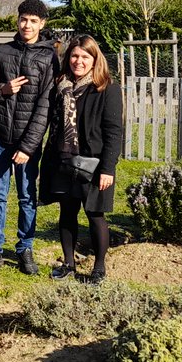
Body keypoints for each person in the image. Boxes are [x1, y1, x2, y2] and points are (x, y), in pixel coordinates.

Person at [39, 35, 123, 283]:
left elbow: (113, 132)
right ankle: (68, 263)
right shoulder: (61, 87)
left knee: (95, 214)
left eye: (85, 57)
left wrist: (108, 168)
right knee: (67, 212)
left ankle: (99, 267)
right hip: (64, 160)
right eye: (74, 56)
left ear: (95, 60)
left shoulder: (107, 89)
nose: (79, 61)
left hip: (94, 164)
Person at [0, 0, 57, 276]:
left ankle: (25, 247)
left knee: (27, 196)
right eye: (23, 19)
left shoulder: (48, 57)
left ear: (42, 24)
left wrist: (28, 145)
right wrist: (3, 89)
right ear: (18, 20)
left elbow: (46, 105)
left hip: (28, 140)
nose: (27, 25)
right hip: (0, 136)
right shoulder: (2, 51)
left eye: (33, 21)